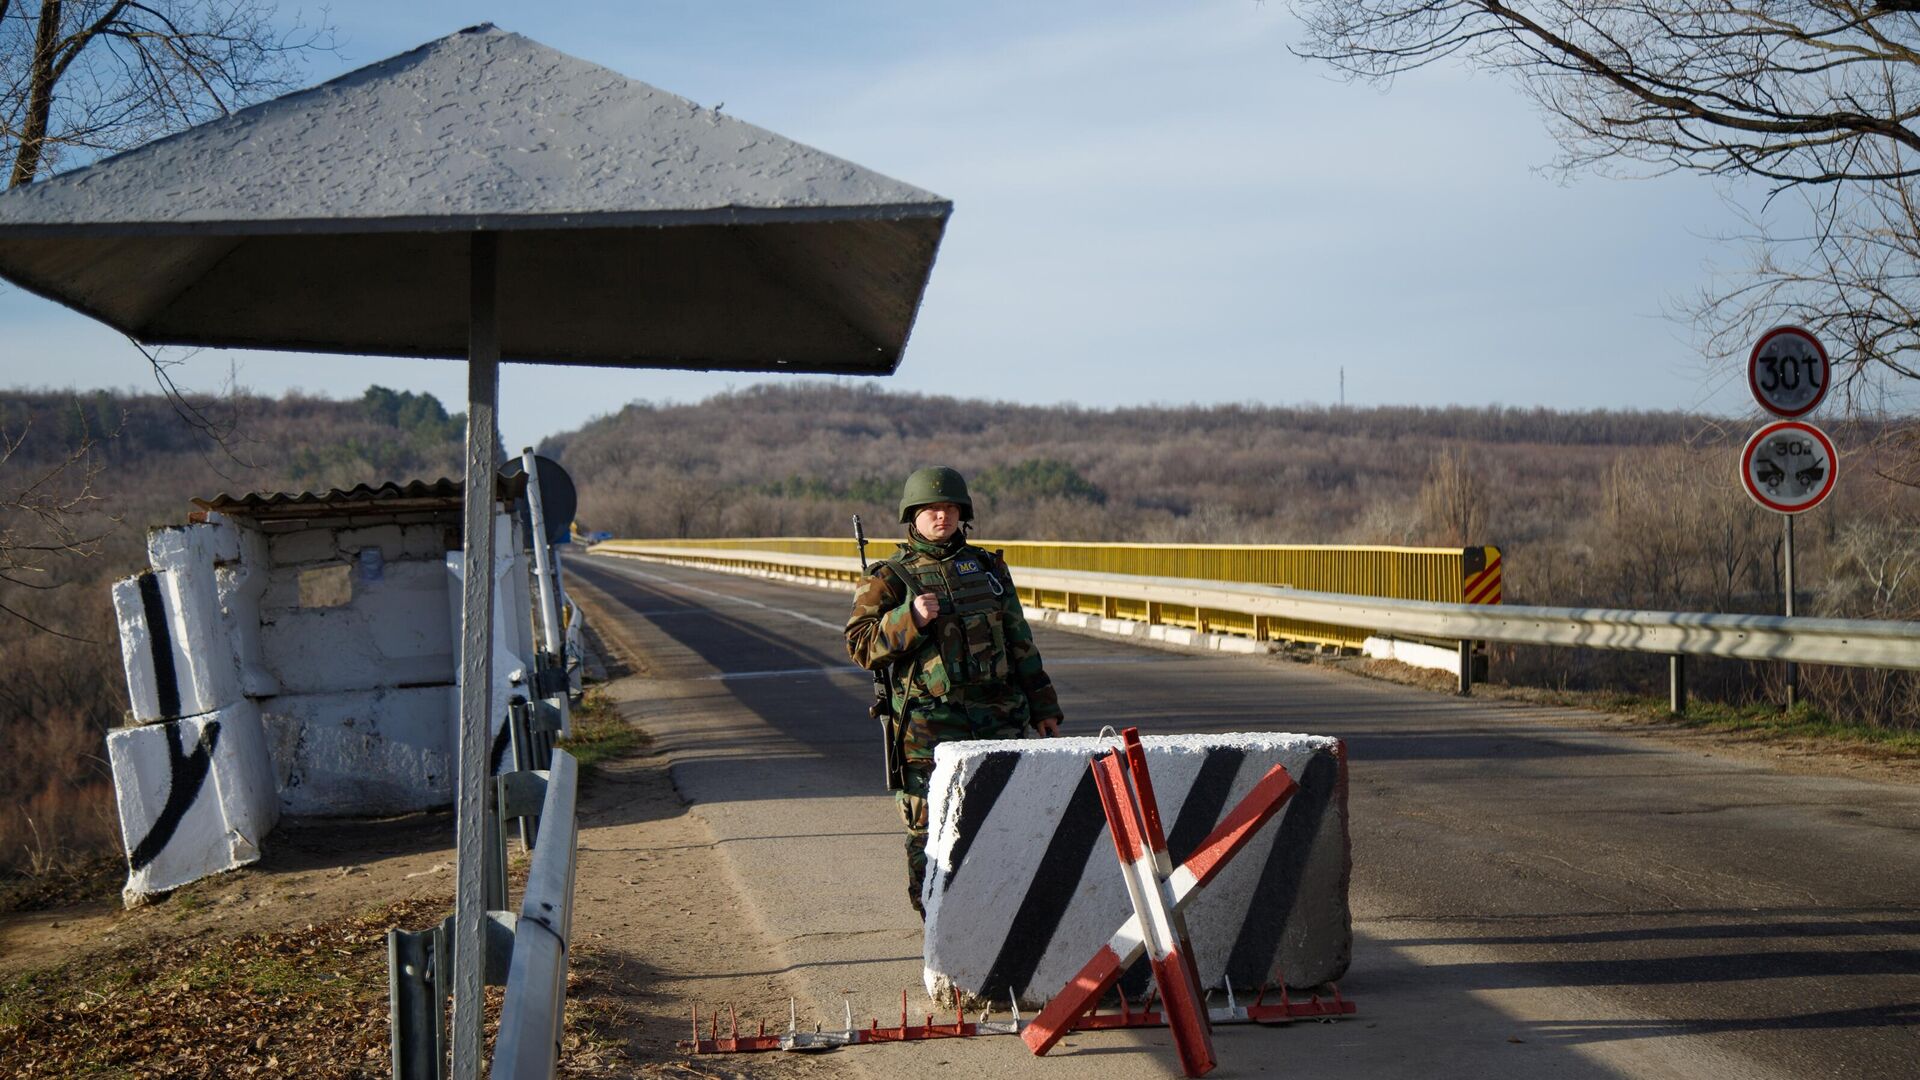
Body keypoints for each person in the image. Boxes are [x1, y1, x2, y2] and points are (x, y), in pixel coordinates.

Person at [844, 465, 1064, 916]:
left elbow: (1020, 640)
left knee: (1005, 818)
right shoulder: (888, 577)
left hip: (999, 717)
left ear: (961, 513)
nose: (941, 517)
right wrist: (910, 619)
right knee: (928, 829)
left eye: (948, 508)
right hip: (928, 726)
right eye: (930, 510)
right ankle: (935, 921)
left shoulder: (988, 570)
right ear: (913, 516)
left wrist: (1044, 706)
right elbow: (860, 645)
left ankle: (1001, 918)